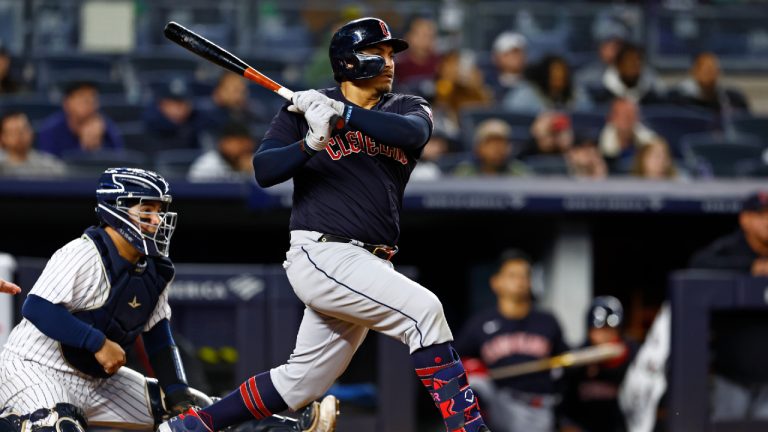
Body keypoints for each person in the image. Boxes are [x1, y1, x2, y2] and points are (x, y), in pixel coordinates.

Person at [160, 17, 490, 432]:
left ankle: (192, 427)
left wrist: (342, 112)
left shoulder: (405, 107)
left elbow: (410, 134)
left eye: (391, 54)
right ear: (349, 62)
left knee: (299, 384)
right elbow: (265, 169)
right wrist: (311, 142)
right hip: (323, 251)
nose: (389, 62)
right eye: (378, 52)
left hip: (370, 263)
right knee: (424, 313)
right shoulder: (303, 109)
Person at [0, 167, 332, 432]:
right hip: (35, 367)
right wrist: (97, 342)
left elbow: (158, 337)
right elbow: (37, 308)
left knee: (195, 414)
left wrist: (177, 393)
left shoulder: (154, 269)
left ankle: (287, 429)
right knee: (56, 425)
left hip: (97, 380)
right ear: (117, 211)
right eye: (147, 210)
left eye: (159, 210)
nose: (157, 220)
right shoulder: (83, 252)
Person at [455, 249, 568, 432]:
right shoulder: (481, 323)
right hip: (499, 403)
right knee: (475, 383)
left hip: (539, 408)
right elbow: (452, 361)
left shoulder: (547, 321)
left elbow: (566, 362)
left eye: (525, 275)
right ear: (496, 282)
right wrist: (470, 368)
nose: (520, 281)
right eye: (512, 275)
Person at [688, 191, 768, 421]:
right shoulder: (729, 250)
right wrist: (749, 268)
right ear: (745, 219)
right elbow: (697, 266)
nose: (767, 221)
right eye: (761, 215)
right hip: (732, 375)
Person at [560, 296, 639, 432]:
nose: (605, 336)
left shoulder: (633, 355)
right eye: (599, 330)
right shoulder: (578, 357)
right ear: (589, 331)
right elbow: (564, 408)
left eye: (610, 330)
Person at [36, 81, 124, 157]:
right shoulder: (51, 130)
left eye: (93, 98)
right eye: (83, 98)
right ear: (67, 103)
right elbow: (49, 170)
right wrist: (83, 148)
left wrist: (96, 147)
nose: (89, 103)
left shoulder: (106, 127)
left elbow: (117, 164)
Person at [503, 55, 593, 114]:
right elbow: (513, 116)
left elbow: (587, 117)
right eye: (554, 76)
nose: (558, 79)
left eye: (562, 75)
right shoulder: (525, 94)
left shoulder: (577, 94)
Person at [669, 51, 750, 115]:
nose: (710, 75)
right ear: (694, 72)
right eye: (706, 71)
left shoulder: (732, 101)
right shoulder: (678, 101)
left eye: (713, 70)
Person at [590, 43, 666, 106]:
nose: (634, 66)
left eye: (638, 62)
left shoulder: (654, 95)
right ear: (618, 65)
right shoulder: (598, 97)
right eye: (629, 62)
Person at [598, 98, 658, 173]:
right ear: (610, 118)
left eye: (631, 115)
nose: (626, 119)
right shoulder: (597, 146)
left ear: (638, 118)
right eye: (622, 115)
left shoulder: (650, 143)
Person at [0, 111, 67, 177]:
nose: (19, 136)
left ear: (31, 132)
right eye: (13, 132)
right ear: (2, 137)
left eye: (23, 130)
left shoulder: (51, 167)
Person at [453, 118, 528, 177]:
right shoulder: (465, 172)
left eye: (502, 143)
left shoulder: (518, 172)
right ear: (478, 147)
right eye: (490, 143)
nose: (497, 149)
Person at [143, 78, 202, 150]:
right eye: (172, 104)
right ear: (160, 104)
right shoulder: (151, 123)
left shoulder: (198, 120)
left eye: (183, 103)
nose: (178, 110)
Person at [188, 122, 256, 182]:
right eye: (239, 143)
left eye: (246, 143)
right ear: (224, 143)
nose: (244, 147)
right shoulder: (206, 165)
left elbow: (264, 193)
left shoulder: (255, 163)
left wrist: (250, 173)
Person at [487, 32, 527, 104]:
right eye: (508, 53)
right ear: (496, 57)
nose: (515, 57)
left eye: (519, 52)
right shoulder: (486, 86)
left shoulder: (533, 85)